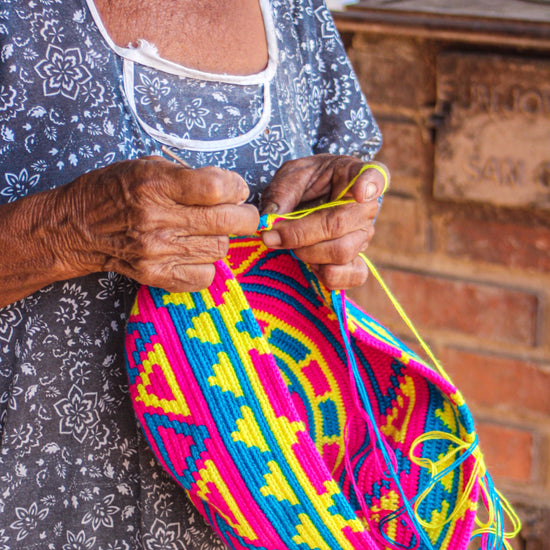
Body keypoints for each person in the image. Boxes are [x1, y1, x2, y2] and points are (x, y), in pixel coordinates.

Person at [0, 0, 386, 548]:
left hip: (266, 503)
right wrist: (67, 228)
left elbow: (349, 170)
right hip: (32, 503)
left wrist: (343, 215)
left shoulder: (295, 11)